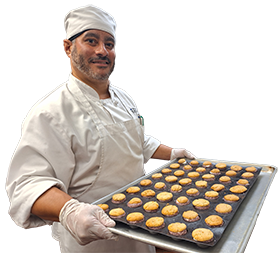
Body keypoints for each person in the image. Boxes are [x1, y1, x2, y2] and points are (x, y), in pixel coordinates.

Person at [6, 5, 195, 253]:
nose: (102, 51)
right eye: (91, 41)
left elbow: (137, 141)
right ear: (68, 47)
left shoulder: (124, 97)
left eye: (109, 44)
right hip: (91, 237)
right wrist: (70, 211)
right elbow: (27, 184)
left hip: (142, 226)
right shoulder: (50, 112)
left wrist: (172, 154)